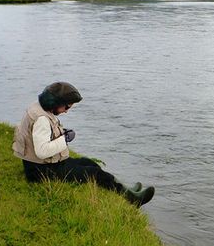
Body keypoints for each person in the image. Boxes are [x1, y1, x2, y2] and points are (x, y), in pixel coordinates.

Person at [12, 81, 155, 206]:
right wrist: (65, 139)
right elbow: (42, 151)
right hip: (41, 172)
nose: (66, 112)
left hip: (39, 166)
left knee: (89, 163)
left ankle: (127, 190)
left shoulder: (38, 108)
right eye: (66, 107)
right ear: (56, 103)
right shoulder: (42, 119)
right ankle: (133, 199)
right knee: (93, 173)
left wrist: (61, 134)